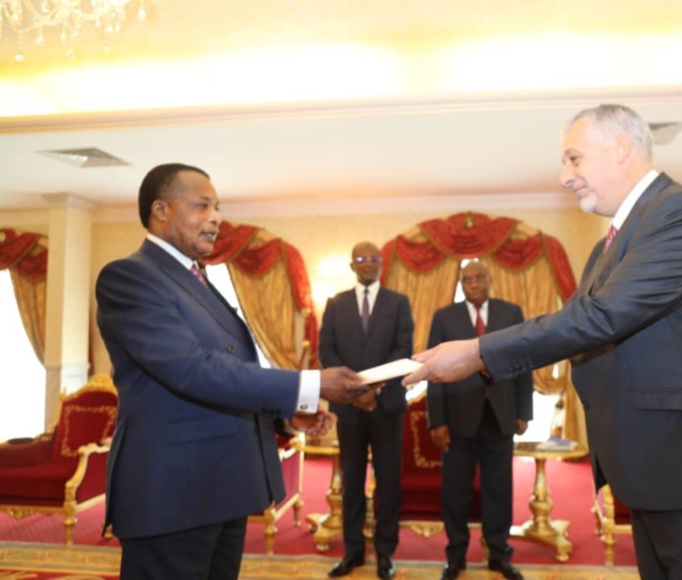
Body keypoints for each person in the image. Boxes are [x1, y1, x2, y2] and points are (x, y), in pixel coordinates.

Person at [404, 104, 682, 580]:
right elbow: (577, 321)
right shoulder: (611, 243)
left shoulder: (681, 211)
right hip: (663, 462)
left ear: (622, 147)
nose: (564, 175)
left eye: (574, 158)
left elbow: (601, 317)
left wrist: (477, 352)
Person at [96, 163, 370, 580]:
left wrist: (283, 415)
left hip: (219, 487)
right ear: (161, 210)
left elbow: (233, 366)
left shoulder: (197, 278)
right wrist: (309, 384)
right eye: (202, 205)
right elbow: (192, 369)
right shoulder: (131, 276)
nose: (216, 218)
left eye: (218, 207)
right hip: (173, 493)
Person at [426, 261, 532, 580]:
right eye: (467, 279)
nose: (473, 284)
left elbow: (524, 362)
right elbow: (434, 372)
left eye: (479, 278)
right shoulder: (444, 317)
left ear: (490, 280)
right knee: (455, 492)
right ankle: (456, 556)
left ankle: (499, 555)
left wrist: (524, 411)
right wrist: (437, 420)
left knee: (499, 489)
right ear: (461, 283)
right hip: (457, 418)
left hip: (500, 416)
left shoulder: (511, 313)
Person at [319, 241, 414, 580]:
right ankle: (353, 552)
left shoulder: (399, 303)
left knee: (388, 483)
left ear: (382, 264)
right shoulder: (335, 304)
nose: (368, 263)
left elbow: (404, 349)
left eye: (374, 258)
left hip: (386, 406)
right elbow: (326, 351)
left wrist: (373, 389)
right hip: (348, 408)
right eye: (362, 258)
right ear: (352, 265)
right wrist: (354, 392)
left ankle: (385, 554)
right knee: (352, 481)